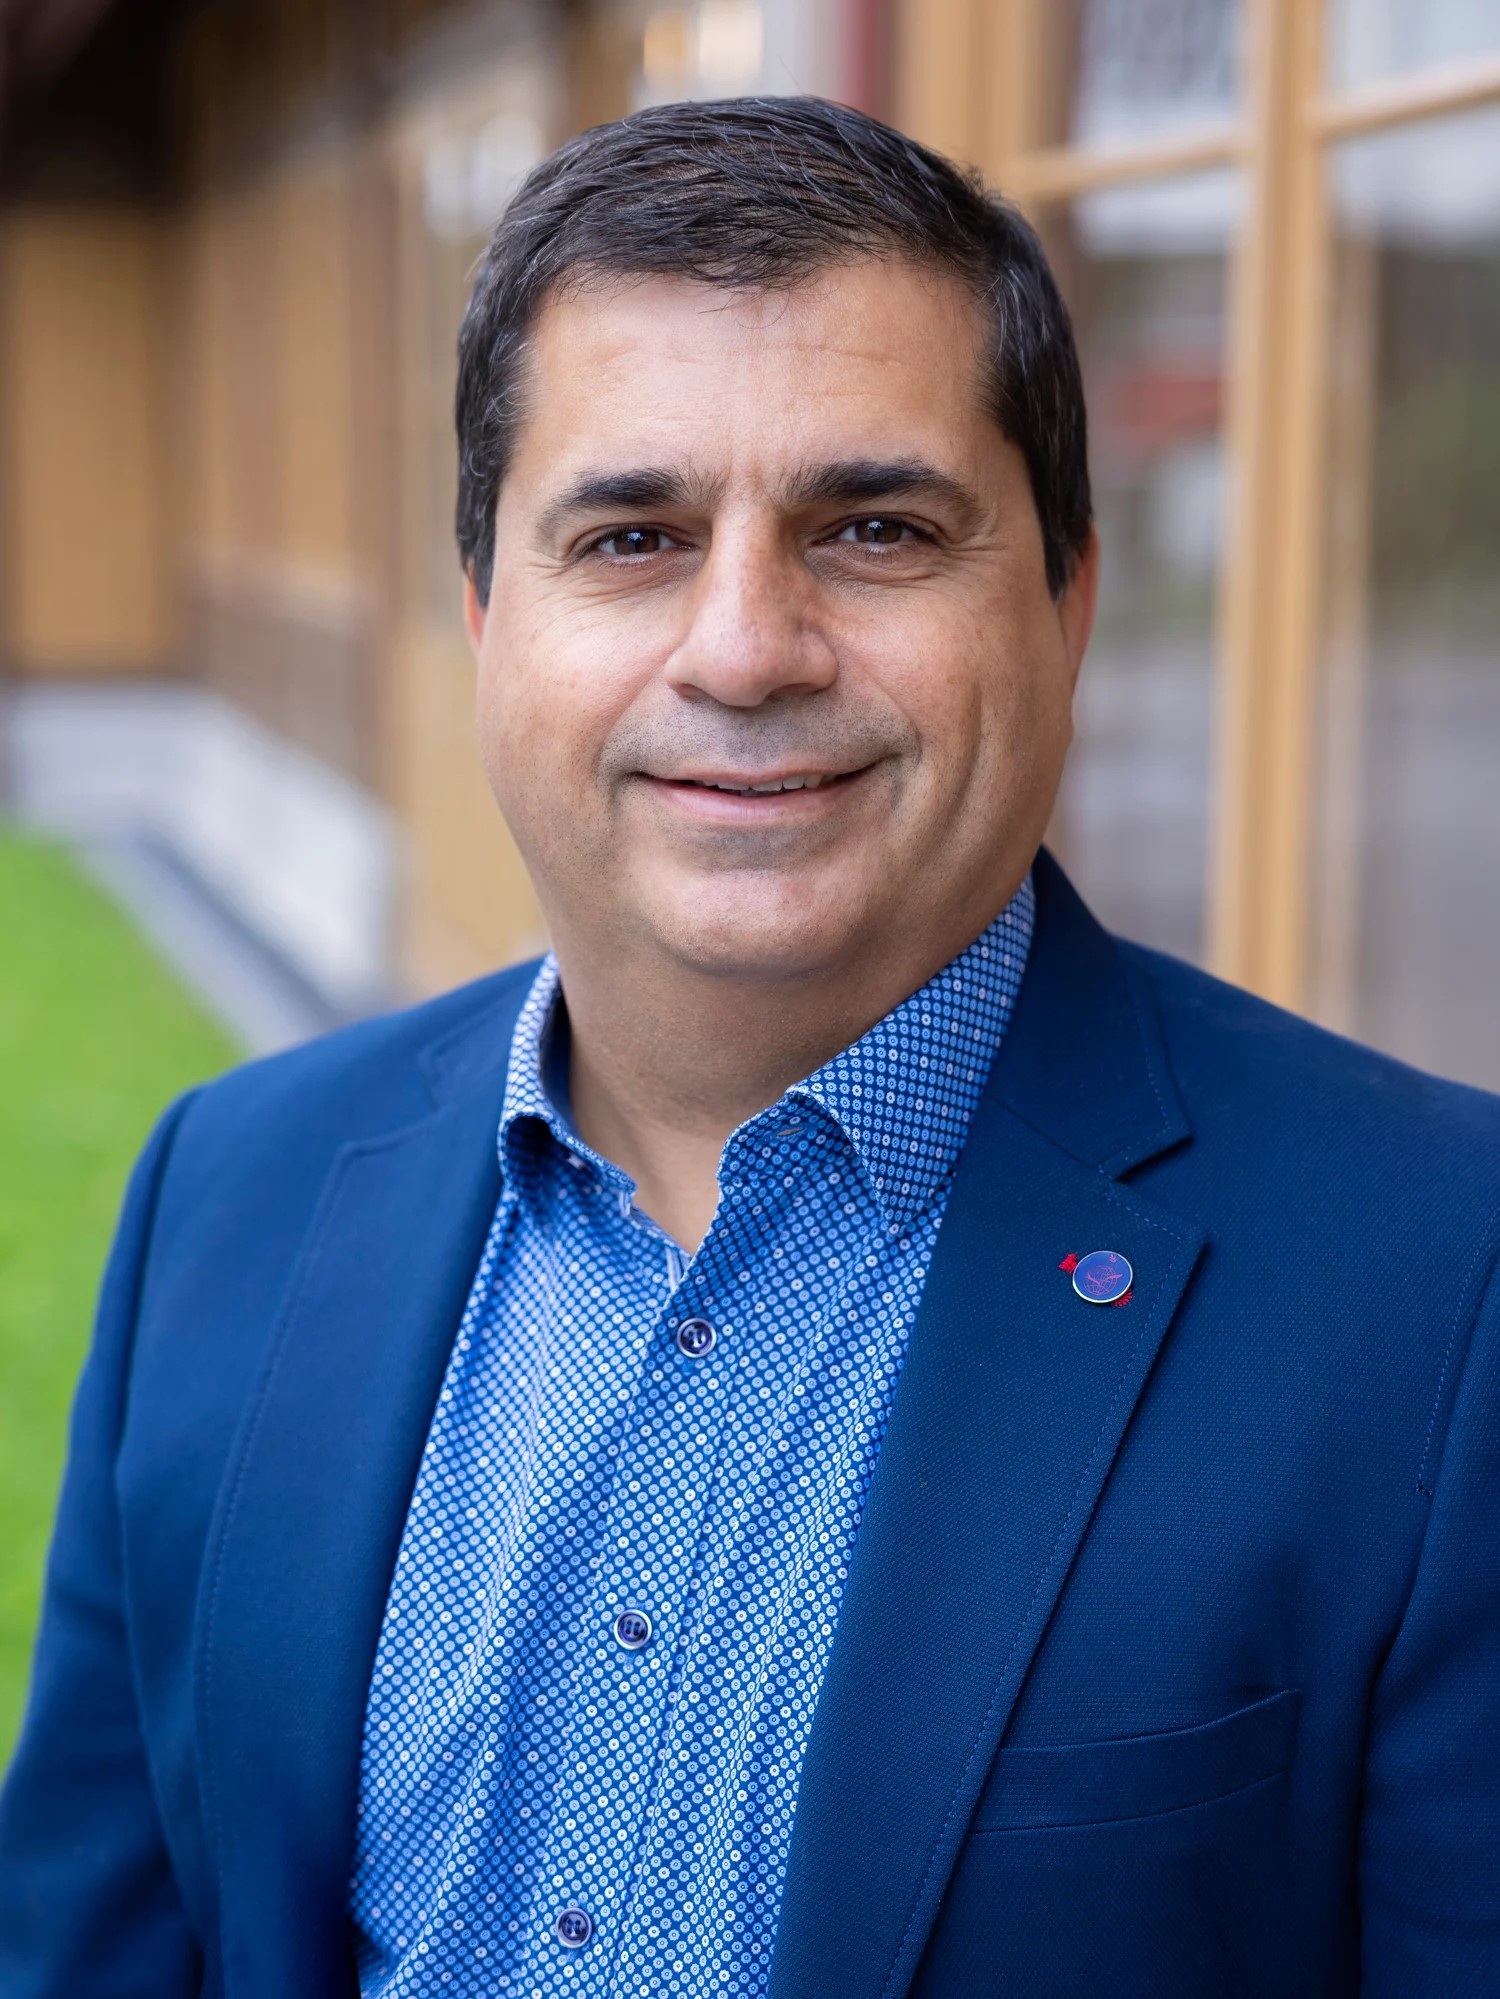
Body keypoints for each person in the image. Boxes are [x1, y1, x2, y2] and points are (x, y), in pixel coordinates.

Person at [1, 94, 1497, 1999]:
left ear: (1068, 598)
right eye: (630, 536)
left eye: (875, 529)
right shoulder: (231, 1196)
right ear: (488, 619)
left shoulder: (1443, 1285)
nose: (743, 648)